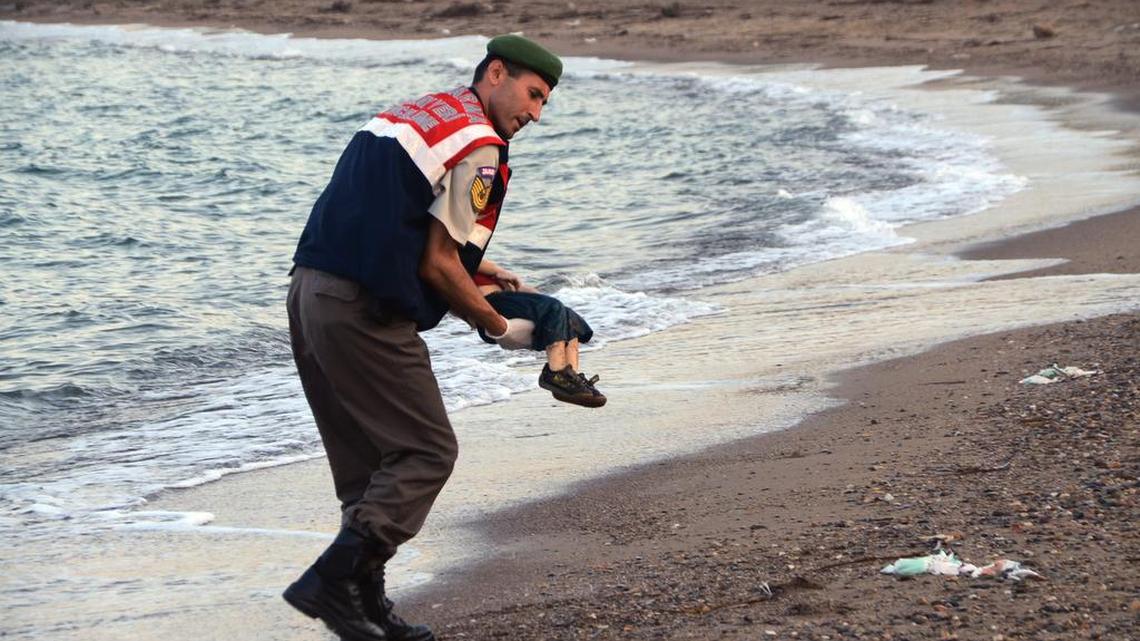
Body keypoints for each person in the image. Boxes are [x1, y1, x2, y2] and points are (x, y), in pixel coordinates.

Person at [282, 35, 563, 641]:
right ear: (496, 73)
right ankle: (334, 581)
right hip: (362, 309)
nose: (536, 115)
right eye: (533, 95)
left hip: (309, 293)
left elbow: (386, 207)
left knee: (368, 471)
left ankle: (362, 611)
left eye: (544, 104)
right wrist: (498, 326)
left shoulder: (419, 111)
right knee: (426, 451)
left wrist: (478, 267)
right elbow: (437, 265)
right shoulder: (482, 147)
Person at [473, 257, 606, 407]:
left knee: (567, 315)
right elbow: (468, 258)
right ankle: (555, 374)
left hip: (508, 299)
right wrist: (500, 271)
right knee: (553, 307)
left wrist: (534, 296)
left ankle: (570, 380)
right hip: (490, 302)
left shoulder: (487, 270)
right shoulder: (462, 256)